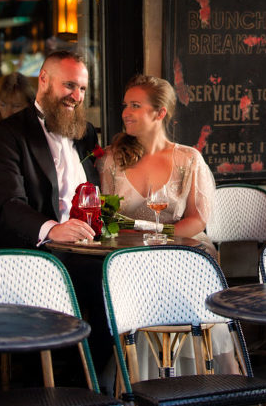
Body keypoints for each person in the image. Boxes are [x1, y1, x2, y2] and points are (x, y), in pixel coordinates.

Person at [0, 49, 113, 388]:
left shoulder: (86, 133)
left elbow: (90, 193)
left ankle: (90, 381)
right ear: (43, 80)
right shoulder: (6, 134)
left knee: (119, 273)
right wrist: (54, 229)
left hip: (83, 246)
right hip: (31, 248)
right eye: (69, 85)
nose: (76, 96)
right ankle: (63, 385)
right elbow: (7, 204)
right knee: (99, 283)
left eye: (82, 89)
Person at [98, 73, 239, 377]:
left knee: (187, 267)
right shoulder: (111, 160)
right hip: (130, 257)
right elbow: (109, 223)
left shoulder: (188, 158)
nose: (125, 113)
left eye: (135, 105)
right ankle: (142, 377)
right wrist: (140, 245)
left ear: (159, 113)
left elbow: (198, 219)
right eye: (125, 105)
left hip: (183, 253)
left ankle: (199, 376)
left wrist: (161, 239)